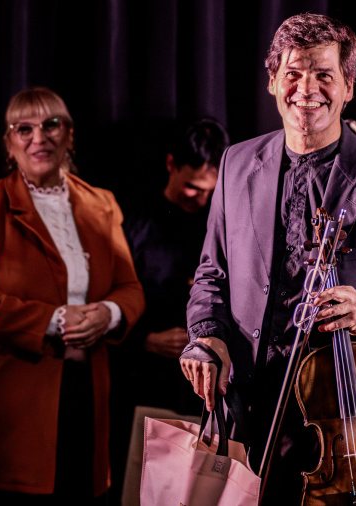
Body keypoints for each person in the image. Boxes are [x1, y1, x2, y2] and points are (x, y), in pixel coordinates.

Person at [178, 13, 356, 502]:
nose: (307, 89)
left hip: (349, 423)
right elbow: (211, 274)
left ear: (348, 86)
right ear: (272, 81)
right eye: (293, 73)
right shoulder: (236, 163)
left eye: (324, 74)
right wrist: (207, 336)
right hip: (252, 413)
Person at [0, 87, 145, 505]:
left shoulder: (102, 203)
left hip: (84, 393)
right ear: (9, 143)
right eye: (24, 128)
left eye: (51, 124)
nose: (39, 137)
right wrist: (53, 320)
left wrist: (108, 314)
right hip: (7, 402)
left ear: (69, 134)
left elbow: (131, 289)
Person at [108, 118, 228, 502]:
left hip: (203, 392)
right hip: (141, 380)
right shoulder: (133, 221)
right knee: (138, 488)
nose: (200, 199)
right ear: (171, 164)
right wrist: (145, 340)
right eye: (192, 187)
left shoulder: (220, 222)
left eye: (208, 190)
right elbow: (105, 299)